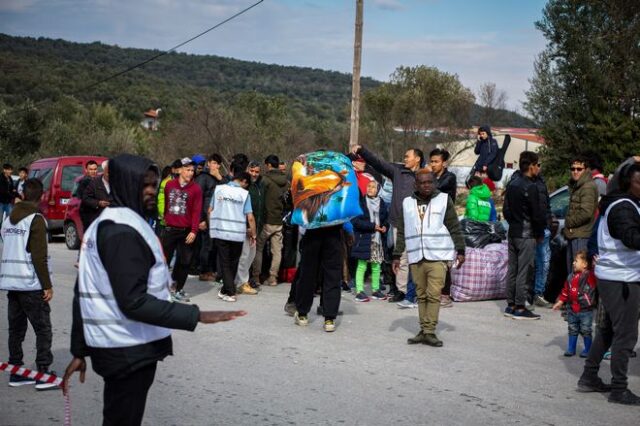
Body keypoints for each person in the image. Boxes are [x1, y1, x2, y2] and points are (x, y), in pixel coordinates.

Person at [62, 154, 246, 425]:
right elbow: (132, 301)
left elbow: (84, 290)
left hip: (118, 346)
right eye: (144, 185)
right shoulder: (121, 231)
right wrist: (196, 315)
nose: (151, 192)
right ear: (126, 184)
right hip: (127, 348)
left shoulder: (112, 222)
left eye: (154, 185)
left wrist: (79, 349)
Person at [577, 164, 640, 404]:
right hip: (621, 280)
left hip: (618, 276)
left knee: (609, 329)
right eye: (639, 182)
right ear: (627, 184)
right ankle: (619, 388)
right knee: (626, 334)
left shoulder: (625, 203)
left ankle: (589, 376)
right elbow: (631, 237)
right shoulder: (623, 207)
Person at [393, 170, 465, 347]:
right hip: (416, 256)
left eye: (430, 182)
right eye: (422, 183)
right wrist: (396, 255)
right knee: (421, 295)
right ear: (415, 185)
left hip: (438, 256)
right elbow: (402, 231)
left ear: (434, 183)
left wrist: (461, 250)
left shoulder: (443, 200)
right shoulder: (407, 203)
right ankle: (424, 330)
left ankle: (430, 331)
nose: (426, 185)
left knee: (434, 295)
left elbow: (454, 225)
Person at [1, 178, 57, 389]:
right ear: (41, 196)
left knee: (16, 330)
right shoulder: (35, 219)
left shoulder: (8, 219)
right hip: (30, 284)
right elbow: (39, 257)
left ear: (23, 194)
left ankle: (16, 371)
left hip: (11, 283)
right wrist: (47, 285)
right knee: (43, 329)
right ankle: (43, 372)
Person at [352, 144, 424, 303]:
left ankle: (418, 292)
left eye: (408, 156)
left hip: (419, 224)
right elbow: (378, 162)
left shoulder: (424, 177)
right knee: (401, 257)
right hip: (399, 222)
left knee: (418, 259)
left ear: (417, 159)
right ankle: (402, 291)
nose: (405, 159)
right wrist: (362, 150)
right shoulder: (398, 172)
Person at [503, 151, 546, 320]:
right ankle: (520, 307)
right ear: (531, 166)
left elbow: (506, 210)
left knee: (513, 269)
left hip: (513, 231)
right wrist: (540, 232)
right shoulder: (531, 186)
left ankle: (511, 304)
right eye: (538, 165)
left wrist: (514, 221)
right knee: (524, 270)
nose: (539, 168)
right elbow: (537, 214)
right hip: (526, 233)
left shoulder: (512, 184)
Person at [209, 171, 256, 302]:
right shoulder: (244, 194)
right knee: (233, 262)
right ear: (244, 181)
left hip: (221, 231)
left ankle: (229, 292)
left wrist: (212, 228)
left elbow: (210, 210)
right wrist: (253, 234)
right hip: (238, 233)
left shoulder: (219, 190)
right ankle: (227, 289)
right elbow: (250, 217)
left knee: (224, 262)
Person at [161, 158, 202, 302]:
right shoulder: (169, 185)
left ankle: (177, 289)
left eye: (192, 170)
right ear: (180, 170)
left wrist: (194, 231)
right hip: (169, 229)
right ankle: (162, 288)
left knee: (184, 261)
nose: (191, 173)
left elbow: (197, 211)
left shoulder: (196, 189)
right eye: (188, 170)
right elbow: (166, 204)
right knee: (164, 260)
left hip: (186, 230)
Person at [351, 177, 389, 302]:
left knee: (376, 265)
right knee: (362, 265)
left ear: (378, 189)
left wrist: (384, 226)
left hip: (377, 240)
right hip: (364, 238)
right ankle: (359, 291)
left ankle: (375, 290)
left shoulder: (381, 202)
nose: (370, 189)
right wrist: (373, 226)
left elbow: (386, 219)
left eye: (373, 187)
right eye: (368, 186)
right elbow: (355, 221)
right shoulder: (360, 202)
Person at [252, 154, 288, 287]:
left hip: (266, 220)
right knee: (277, 251)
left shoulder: (264, 180)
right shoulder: (285, 181)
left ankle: (256, 277)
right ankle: (273, 277)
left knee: (258, 249)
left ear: (268, 165)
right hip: (278, 220)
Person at [552, 250, 596, 357]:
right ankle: (571, 348)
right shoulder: (570, 277)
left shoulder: (589, 276)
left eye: (576, 261)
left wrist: (595, 264)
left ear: (585, 264)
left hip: (585, 310)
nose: (573, 263)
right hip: (572, 308)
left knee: (586, 330)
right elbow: (565, 290)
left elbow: (596, 273)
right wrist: (561, 301)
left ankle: (588, 349)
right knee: (572, 329)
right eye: (573, 261)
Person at [563, 156, 599, 273]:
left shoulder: (587, 186)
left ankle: (578, 292)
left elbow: (586, 213)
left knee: (578, 272)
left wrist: (568, 222)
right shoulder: (578, 185)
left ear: (586, 169)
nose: (575, 171)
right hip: (574, 234)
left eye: (579, 169)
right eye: (573, 168)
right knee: (572, 271)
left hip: (581, 236)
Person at [194, 154, 225, 282]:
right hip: (206, 215)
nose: (216, 166)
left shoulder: (219, 178)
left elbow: (228, 190)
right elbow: (198, 198)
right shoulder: (203, 177)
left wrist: (220, 178)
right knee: (207, 244)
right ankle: (204, 271)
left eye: (218, 164)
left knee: (213, 245)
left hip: (218, 215)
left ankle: (211, 270)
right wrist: (201, 219)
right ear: (209, 163)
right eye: (214, 163)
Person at [234, 161, 263, 294]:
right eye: (252, 171)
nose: (254, 174)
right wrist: (247, 227)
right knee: (244, 256)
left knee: (250, 255)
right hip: (245, 228)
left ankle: (242, 280)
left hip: (256, 226)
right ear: (247, 170)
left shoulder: (260, 186)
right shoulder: (244, 186)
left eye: (257, 171)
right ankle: (240, 282)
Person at [533, 172, 553, 308]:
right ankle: (524, 295)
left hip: (543, 229)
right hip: (531, 231)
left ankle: (538, 293)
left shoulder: (541, 182)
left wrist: (549, 220)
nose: (538, 168)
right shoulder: (521, 182)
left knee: (543, 263)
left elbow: (546, 206)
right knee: (529, 264)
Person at [81, 160, 111, 231]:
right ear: (104, 171)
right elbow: (85, 198)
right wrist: (98, 203)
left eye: (94, 169)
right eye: (91, 169)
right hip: (96, 219)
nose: (93, 171)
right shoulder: (92, 183)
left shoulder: (117, 183)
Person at [155, 165, 173, 237]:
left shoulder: (162, 181)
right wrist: (163, 213)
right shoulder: (168, 182)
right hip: (165, 215)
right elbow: (162, 198)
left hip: (161, 213)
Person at [1, 163, 15, 228]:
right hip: (1, 202)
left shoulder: (10, 179)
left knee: (8, 220)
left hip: (8, 202)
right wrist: (13, 196)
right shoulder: (1, 178)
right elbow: (3, 191)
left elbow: (12, 189)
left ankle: (5, 233)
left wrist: (18, 196)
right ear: (4, 170)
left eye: (11, 170)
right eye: (9, 170)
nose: (10, 171)